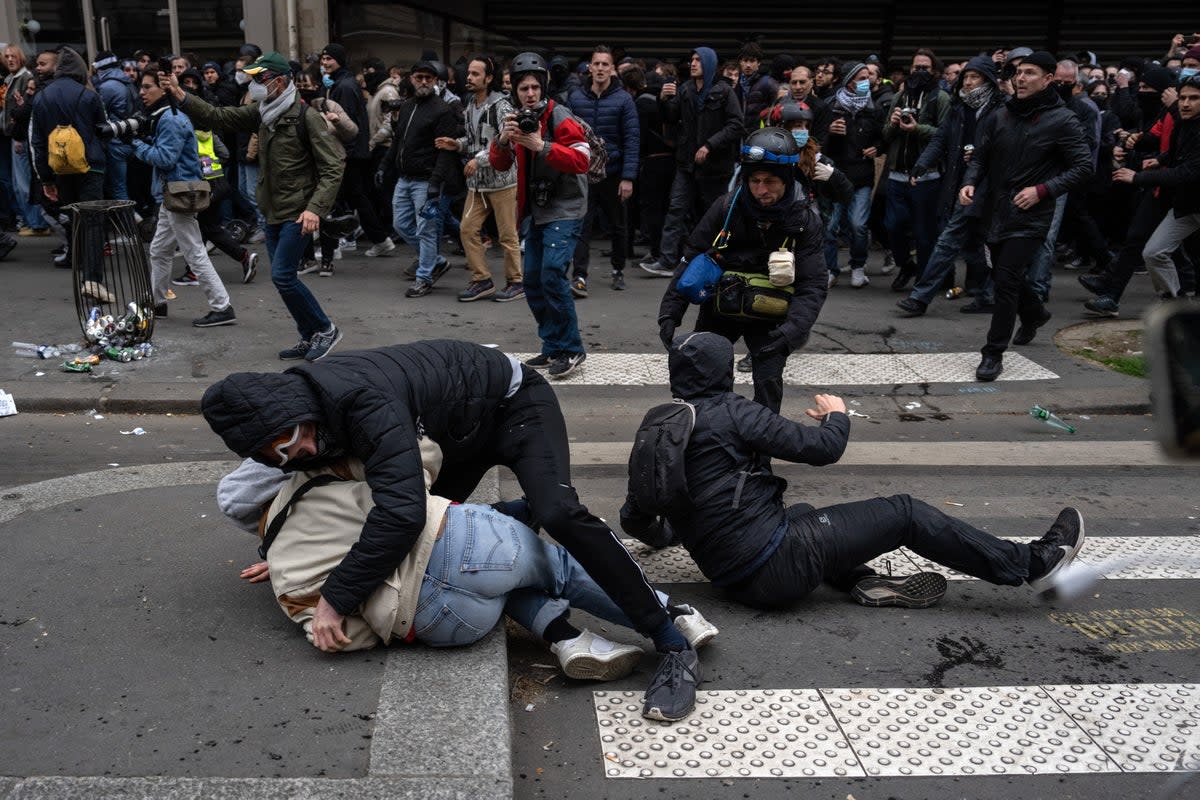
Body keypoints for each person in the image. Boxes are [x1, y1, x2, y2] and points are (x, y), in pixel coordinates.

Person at [201, 339, 706, 721]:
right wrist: (296, 550)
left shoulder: (361, 404)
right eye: (279, 456)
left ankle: (670, 639)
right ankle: (554, 600)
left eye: (297, 439)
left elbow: (401, 514)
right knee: (449, 548)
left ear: (296, 409)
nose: (299, 453)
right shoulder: (309, 418)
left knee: (558, 514)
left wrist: (335, 594)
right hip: (455, 430)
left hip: (513, 406)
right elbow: (348, 506)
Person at [620, 332, 1087, 611]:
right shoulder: (732, 411)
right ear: (723, 372)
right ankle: (1030, 565)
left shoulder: (657, 424)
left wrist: (676, 534)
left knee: (802, 511)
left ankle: (861, 581)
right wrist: (837, 415)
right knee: (903, 513)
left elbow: (633, 517)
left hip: (732, 578)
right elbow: (824, 449)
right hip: (778, 566)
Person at [217, 439, 717, 678]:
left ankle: (569, 640)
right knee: (559, 567)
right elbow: (421, 453)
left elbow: (345, 638)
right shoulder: (319, 478)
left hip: (447, 624)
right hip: (465, 545)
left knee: (507, 588)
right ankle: (671, 617)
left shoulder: (284, 576)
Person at [163, 51, 346, 361]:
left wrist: (315, 208)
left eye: (259, 79)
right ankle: (308, 334)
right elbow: (217, 117)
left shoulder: (306, 117)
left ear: (279, 81)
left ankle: (326, 329)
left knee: (283, 277)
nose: (254, 84)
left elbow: (334, 165)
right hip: (272, 209)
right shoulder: (264, 111)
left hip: (297, 211)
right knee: (284, 278)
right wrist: (181, 95)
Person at [656, 127, 827, 413]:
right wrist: (670, 312)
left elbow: (813, 285)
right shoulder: (725, 208)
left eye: (770, 181)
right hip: (721, 307)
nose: (761, 190)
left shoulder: (804, 222)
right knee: (702, 376)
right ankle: (703, 435)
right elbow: (692, 257)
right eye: (755, 181)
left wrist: (790, 334)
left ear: (786, 180)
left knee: (768, 382)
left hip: (771, 318)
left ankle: (762, 453)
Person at [960, 51, 1092, 382]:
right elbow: (980, 156)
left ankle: (992, 354)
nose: (1020, 78)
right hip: (996, 210)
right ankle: (1034, 314)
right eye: (1019, 72)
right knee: (1008, 276)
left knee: (1005, 280)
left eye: (1030, 73)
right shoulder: (1000, 115)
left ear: (1048, 79)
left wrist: (1042, 190)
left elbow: (1083, 167)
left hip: (1032, 214)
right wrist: (970, 183)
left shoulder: (1062, 120)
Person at [488, 52, 592, 379]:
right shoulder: (518, 118)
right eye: (524, 89)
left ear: (543, 86)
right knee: (531, 279)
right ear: (515, 93)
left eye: (535, 87)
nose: (530, 94)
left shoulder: (559, 115)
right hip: (535, 209)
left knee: (551, 274)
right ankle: (552, 346)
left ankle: (572, 349)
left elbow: (581, 159)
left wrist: (541, 145)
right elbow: (500, 164)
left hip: (566, 207)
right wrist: (503, 141)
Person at [896, 55, 1004, 317]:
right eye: (966, 77)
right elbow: (941, 139)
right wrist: (921, 166)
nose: (968, 82)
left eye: (974, 77)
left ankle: (920, 297)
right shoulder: (959, 108)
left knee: (950, 241)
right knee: (972, 245)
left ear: (988, 80)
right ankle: (987, 294)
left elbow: (1008, 148)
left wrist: (983, 155)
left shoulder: (1001, 111)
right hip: (960, 184)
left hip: (989, 187)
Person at [130, 69, 236, 327]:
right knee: (159, 249)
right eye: (141, 87)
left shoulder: (171, 119)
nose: (141, 92)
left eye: (147, 87)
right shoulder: (166, 116)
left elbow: (165, 158)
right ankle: (157, 303)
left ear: (163, 89)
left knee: (194, 251)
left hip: (181, 193)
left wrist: (136, 145)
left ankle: (222, 306)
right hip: (174, 193)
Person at [650, 46, 744, 276]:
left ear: (709, 64)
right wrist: (663, 99)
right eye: (692, 60)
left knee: (714, 215)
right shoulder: (686, 90)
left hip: (714, 168)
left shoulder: (724, 92)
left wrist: (710, 145)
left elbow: (736, 125)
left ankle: (714, 260)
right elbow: (671, 117)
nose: (692, 64)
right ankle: (667, 260)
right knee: (676, 209)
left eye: (698, 60)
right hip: (687, 164)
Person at [437, 55, 524, 303]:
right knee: (467, 229)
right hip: (478, 184)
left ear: (488, 78)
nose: (469, 77)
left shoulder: (502, 106)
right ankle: (481, 280)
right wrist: (457, 144)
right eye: (469, 73)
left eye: (476, 74)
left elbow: (508, 139)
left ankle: (516, 282)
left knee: (507, 236)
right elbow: (474, 141)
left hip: (502, 182)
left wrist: (480, 159)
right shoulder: (470, 104)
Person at [378, 60, 461, 298]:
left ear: (435, 81)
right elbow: (398, 141)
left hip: (426, 180)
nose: (424, 82)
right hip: (405, 178)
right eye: (419, 77)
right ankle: (435, 260)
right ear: (412, 79)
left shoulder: (441, 110)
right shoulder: (406, 107)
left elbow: (445, 151)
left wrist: (436, 183)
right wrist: (385, 165)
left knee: (426, 230)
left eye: (428, 78)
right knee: (401, 224)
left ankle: (423, 277)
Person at [566, 45, 640, 293]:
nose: (599, 68)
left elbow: (632, 139)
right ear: (589, 68)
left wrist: (628, 177)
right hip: (583, 173)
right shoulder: (576, 98)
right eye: (596, 64)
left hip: (614, 172)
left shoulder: (624, 100)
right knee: (582, 226)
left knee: (618, 225)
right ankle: (579, 275)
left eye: (604, 64)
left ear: (612, 69)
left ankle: (618, 270)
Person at [881, 48, 952, 292]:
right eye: (915, 68)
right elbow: (885, 135)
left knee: (924, 234)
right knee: (893, 225)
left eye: (925, 68)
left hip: (927, 176)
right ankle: (905, 265)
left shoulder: (940, 98)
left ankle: (923, 282)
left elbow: (945, 135)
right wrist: (893, 124)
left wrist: (917, 128)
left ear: (935, 72)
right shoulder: (899, 98)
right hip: (897, 174)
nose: (919, 72)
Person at [319, 43, 395, 259]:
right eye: (323, 59)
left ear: (340, 60)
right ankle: (380, 240)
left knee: (335, 199)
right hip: (352, 152)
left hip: (347, 153)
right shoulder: (340, 83)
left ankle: (332, 248)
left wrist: (343, 154)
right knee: (356, 197)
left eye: (329, 59)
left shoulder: (344, 87)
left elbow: (347, 124)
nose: (325, 63)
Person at [821, 61, 883, 288]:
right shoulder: (830, 107)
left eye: (868, 78)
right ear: (848, 82)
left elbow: (882, 137)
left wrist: (877, 148)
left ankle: (858, 266)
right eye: (860, 78)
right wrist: (829, 132)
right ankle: (830, 269)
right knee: (830, 227)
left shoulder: (873, 109)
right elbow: (816, 142)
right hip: (836, 176)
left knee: (858, 225)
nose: (866, 83)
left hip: (862, 177)